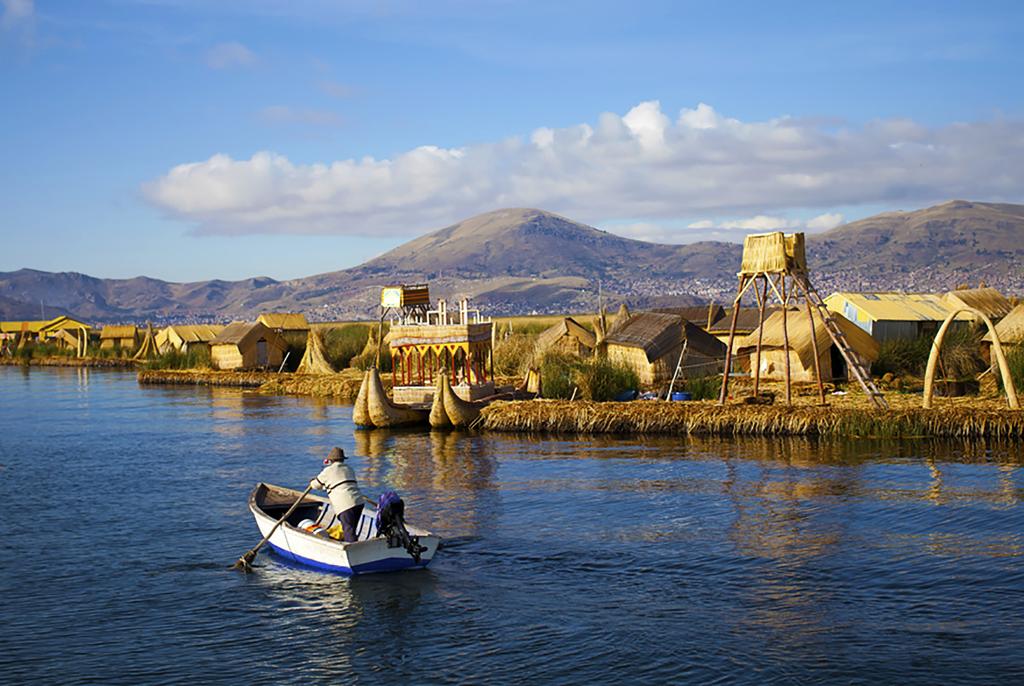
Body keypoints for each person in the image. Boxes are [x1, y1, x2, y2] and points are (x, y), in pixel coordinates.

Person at [309, 447, 367, 543]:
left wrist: (312, 482)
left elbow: (315, 485)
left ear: (331, 460)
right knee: (352, 528)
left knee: (348, 530)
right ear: (343, 459)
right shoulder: (349, 469)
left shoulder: (328, 471)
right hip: (358, 501)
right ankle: (352, 543)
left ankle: (352, 548)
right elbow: (339, 483)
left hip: (345, 505)